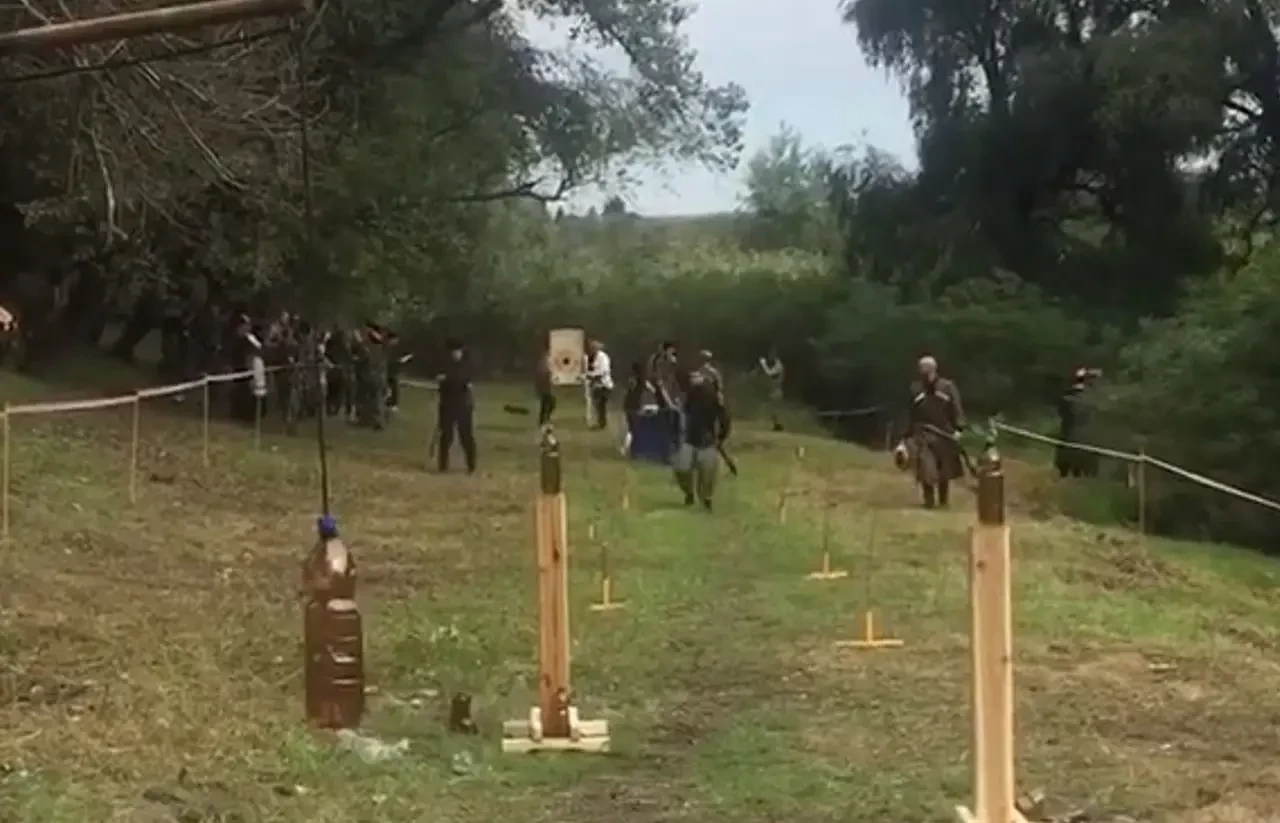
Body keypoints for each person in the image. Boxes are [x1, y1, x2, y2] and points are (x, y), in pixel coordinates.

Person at [904, 355, 966, 509]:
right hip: (923, 433)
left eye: (925, 368)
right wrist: (908, 433)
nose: (922, 372)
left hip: (944, 433)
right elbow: (911, 413)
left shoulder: (947, 387)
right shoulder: (915, 388)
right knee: (926, 467)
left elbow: (956, 408)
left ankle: (943, 501)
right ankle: (929, 500)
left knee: (944, 469)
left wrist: (959, 428)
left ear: (933, 369)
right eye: (921, 369)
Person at [669, 361, 731, 510]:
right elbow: (685, 413)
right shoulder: (691, 394)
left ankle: (706, 498)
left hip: (706, 440)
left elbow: (724, 418)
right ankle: (690, 494)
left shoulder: (713, 397)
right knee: (682, 468)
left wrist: (721, 437)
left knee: (707, 473)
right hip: (690, 438)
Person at [437, 339, 477, 473]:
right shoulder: (445, 364)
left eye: (458, 351)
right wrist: (448, 380)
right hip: (447, 404)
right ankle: (443, 465)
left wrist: (448, 379)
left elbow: (464, 380)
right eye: (453, 352)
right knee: (446, 436)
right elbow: (441, 383)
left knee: (466, 436)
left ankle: (471, 465)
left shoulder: (467, 365)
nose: (456, 354)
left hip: (463, 405)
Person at [1056, 367, 1102, 478]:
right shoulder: (1088, 398)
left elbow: (1061, 412)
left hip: (1071, 431)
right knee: (1078, 451)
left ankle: (1068, 470)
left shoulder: (1069, 396)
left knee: (1069, 450)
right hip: (1080, 432)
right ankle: (1076, 471)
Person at [584, 339, 614, 430]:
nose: (591, 349)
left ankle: (601, 423)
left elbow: (603, 371)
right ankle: (598, 422)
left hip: (604, 384)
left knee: (601, 405)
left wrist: (591, 376)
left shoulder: (603, 357)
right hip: (595, 385)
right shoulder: (589, 357)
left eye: (593, 348)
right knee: (596, 405)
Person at [758, 347, 785, 431]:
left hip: (776, 391)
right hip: (774, 391)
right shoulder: (777, 365)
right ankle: (776, 425)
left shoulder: (778, 365)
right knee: (772, 410)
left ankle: (776, 425)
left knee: (769, 407)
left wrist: (763, 364)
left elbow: (769, 373)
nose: (770, 356)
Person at [535, 346, 556, 426]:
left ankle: (544, 419)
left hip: (547, 385)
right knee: (547, 403)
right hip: (544, 386)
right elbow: (544, 371)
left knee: (547, 403)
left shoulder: (548, 359)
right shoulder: (545, 359)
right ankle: (543, 419)